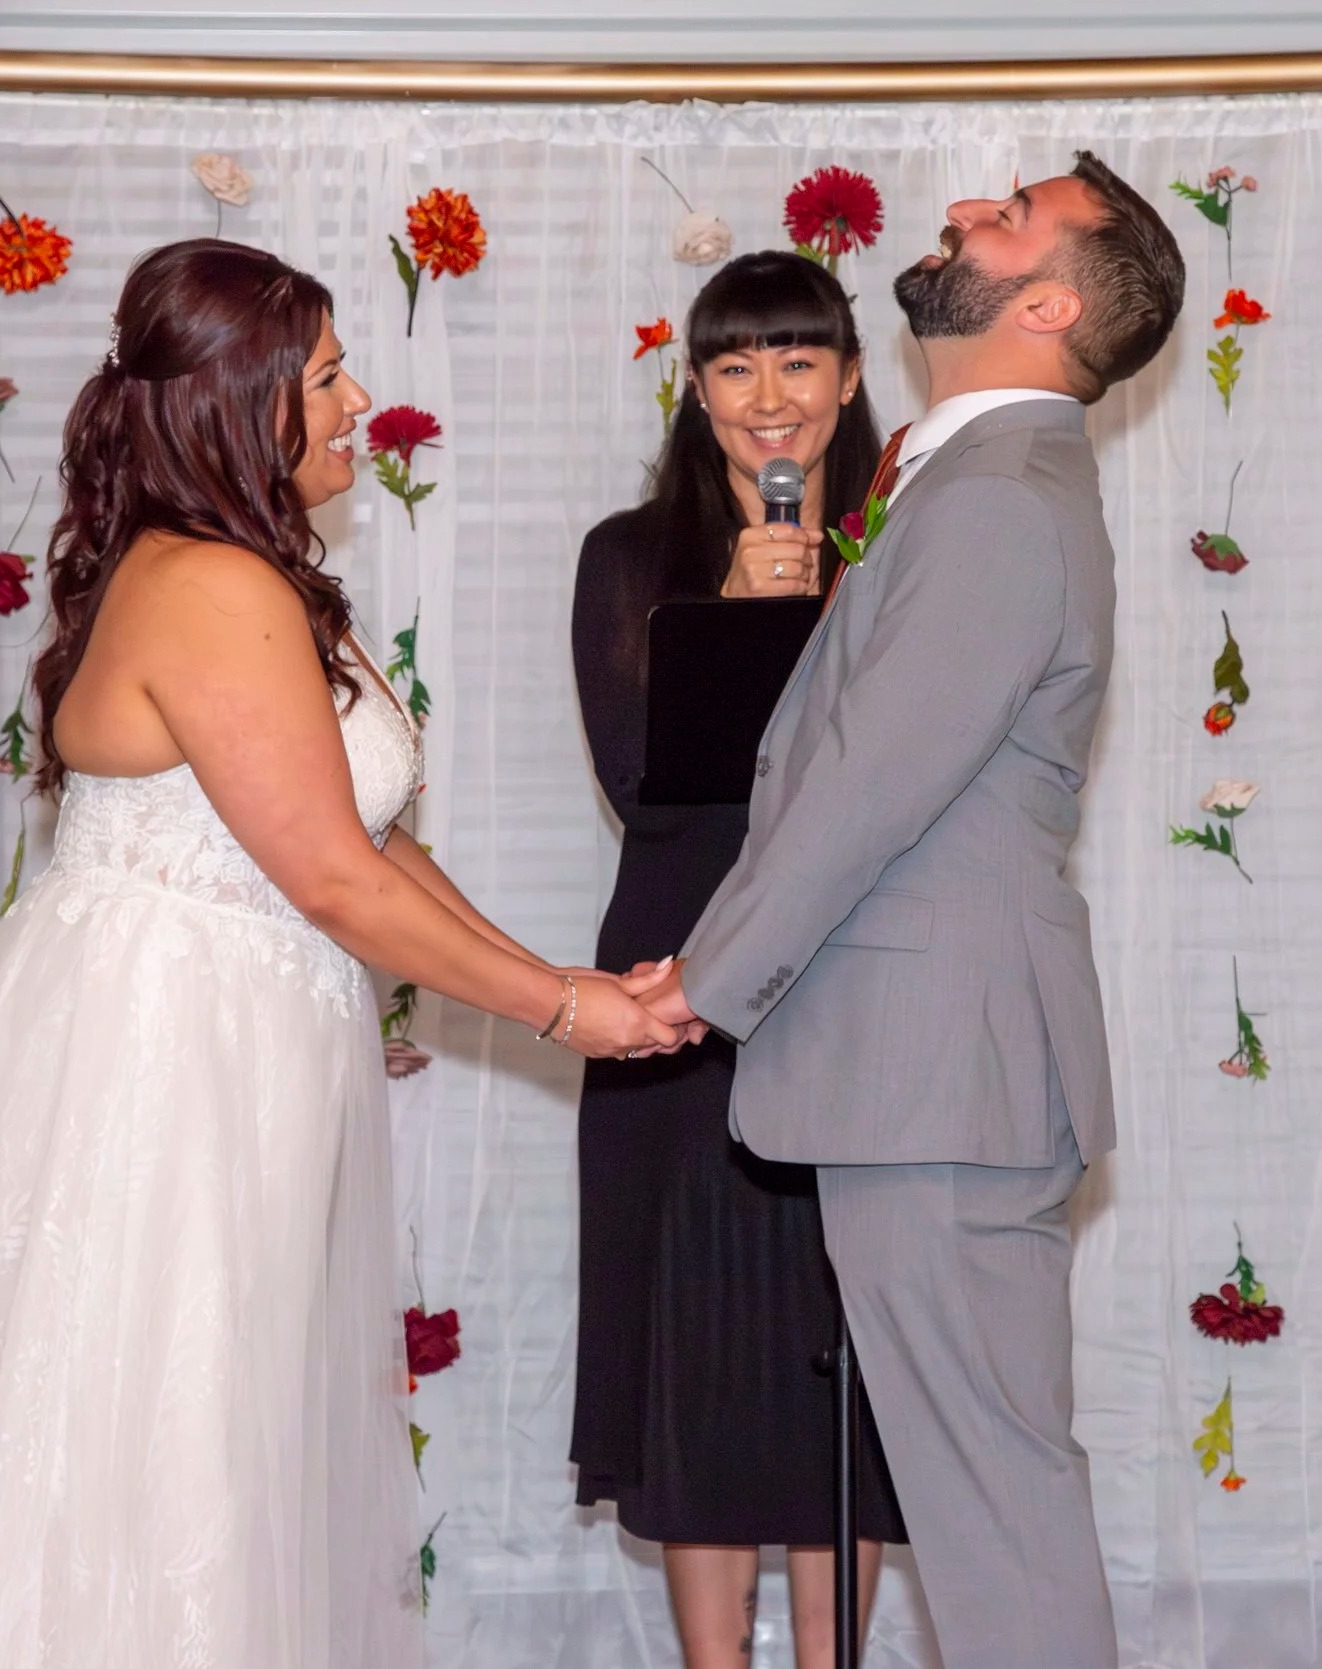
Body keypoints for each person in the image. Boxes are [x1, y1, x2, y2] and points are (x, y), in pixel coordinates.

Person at [0, 239, 681, 1669]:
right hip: (159, 1058)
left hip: (239, 1040)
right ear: (241, 401)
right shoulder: (211, 586)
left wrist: (570, 976)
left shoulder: (261, 576)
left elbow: (372, 837)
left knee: (217, 1422)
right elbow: (328, 875)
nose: (355, 398)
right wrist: (566, 1013)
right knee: (148, 1434)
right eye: (324, 376)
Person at [627, 155, 1187, 1669]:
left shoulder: (1000, 499)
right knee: (983, 1493)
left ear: (1049, 301)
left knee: (992, 1505)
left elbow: (877, 777)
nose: (969, 212)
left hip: (938, 1068)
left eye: (1013, 216)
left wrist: (702, 981)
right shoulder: (964, 474)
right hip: (924, 1066)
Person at [570, 251, 905, 1669]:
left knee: (853, 1359)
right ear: (697, 390)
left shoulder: (916, 541)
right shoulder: (630, 556)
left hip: (873, 981)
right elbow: (649, 785)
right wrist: (732, 613)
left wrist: (826, 614)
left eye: (799, 361)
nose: (771, 399)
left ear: (846, 377)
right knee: (698, 1354)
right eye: (736, 366)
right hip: (677, 997)